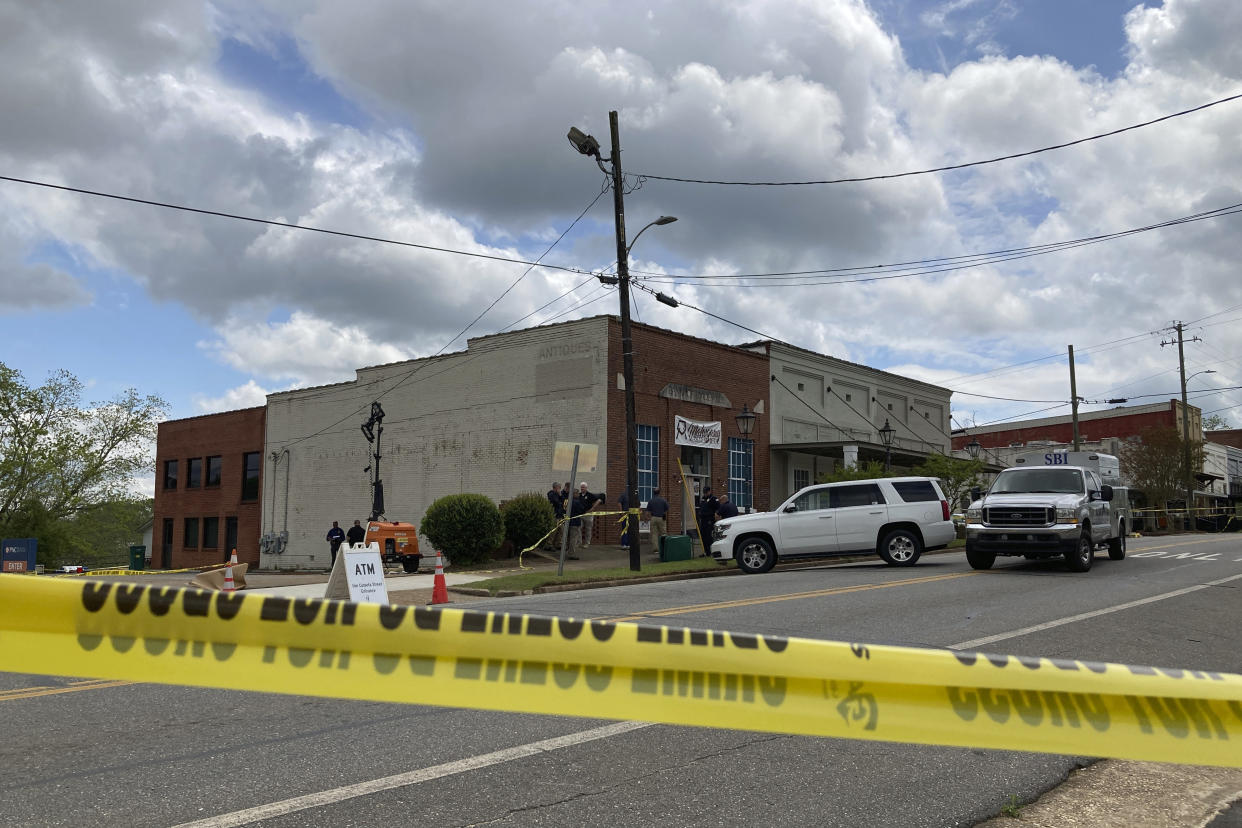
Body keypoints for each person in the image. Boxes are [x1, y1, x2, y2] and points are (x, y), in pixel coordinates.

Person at [577, 483, 603, 547]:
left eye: (583, 487)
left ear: (586, 488)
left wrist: (593, 508)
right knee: (578, 528)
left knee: (588, 529)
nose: (582, 488)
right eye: (581, 487)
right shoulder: (579, 495)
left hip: (588, 514)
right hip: (580, 514)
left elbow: (599, 500)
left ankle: (587, 543)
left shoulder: (590, 495)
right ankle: (579, 542)